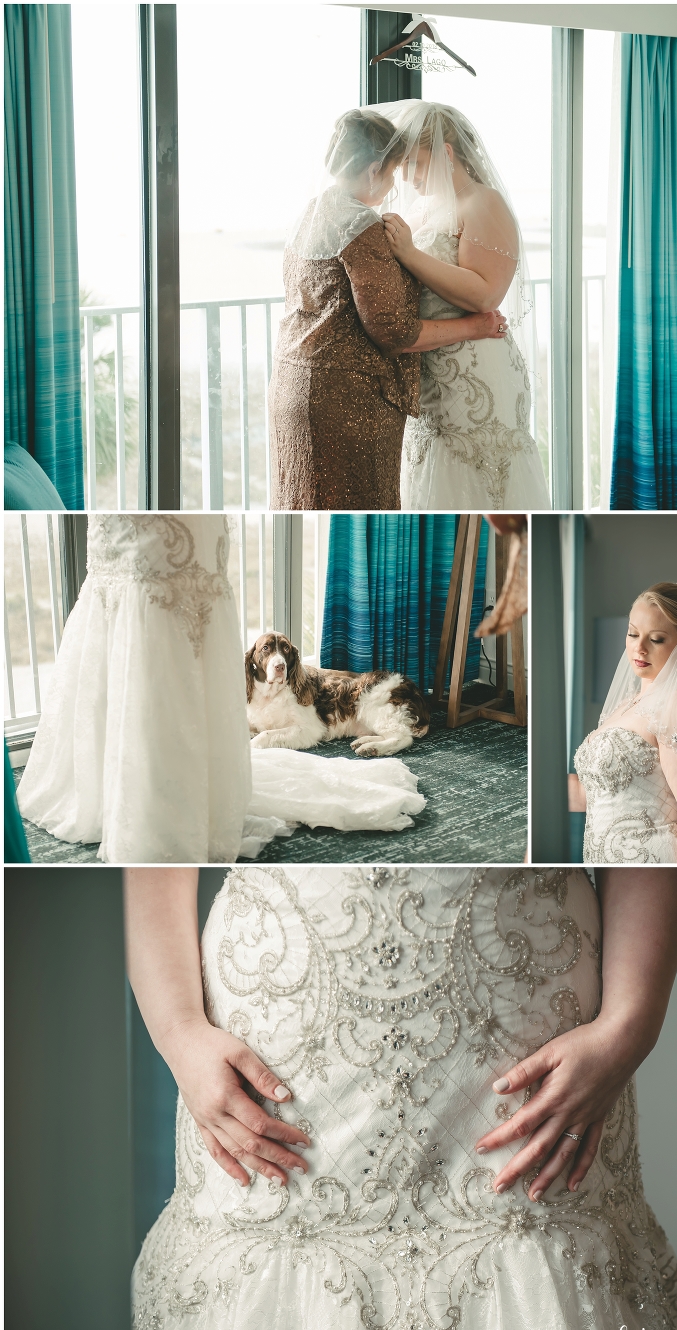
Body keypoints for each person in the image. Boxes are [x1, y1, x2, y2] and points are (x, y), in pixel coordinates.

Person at [128, 864, 677, 1330]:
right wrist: (178, 1031)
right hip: (284, 1039)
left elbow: (646, 842)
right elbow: (151, 863)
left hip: (524, 1027)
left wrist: (631, 1023)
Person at [16, 516, 425, 863]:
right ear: (256, 661)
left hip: (360, 702)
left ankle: (394, 738)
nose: (277, 660)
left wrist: (260, 740)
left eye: (283, 653)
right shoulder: (253, 686)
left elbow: (310, 731)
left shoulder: (298, 685)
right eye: (269, 652)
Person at [269, 109, 508, 511]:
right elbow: (395, 331)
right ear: (375, 168)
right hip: (344, 399)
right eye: (398, 170)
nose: (400, 182)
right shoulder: (360, 224)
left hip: (291, 386)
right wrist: (474, 327)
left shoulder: (310, 212)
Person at [379, 101, 551, 512]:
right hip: (433, 368)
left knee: (475, 475)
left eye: (417, 165)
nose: (409, 177)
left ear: (447, 154)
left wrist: (409, 253)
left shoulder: (482, 203)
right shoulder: (423, 209)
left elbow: (486, 293)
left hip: (478, 369)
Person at [570, 583, 677, 863]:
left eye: (657, 639)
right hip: (606, 863)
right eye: (632, 633)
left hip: (654, 863)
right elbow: (595, 793)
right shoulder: (625, 705)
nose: (639, 648)